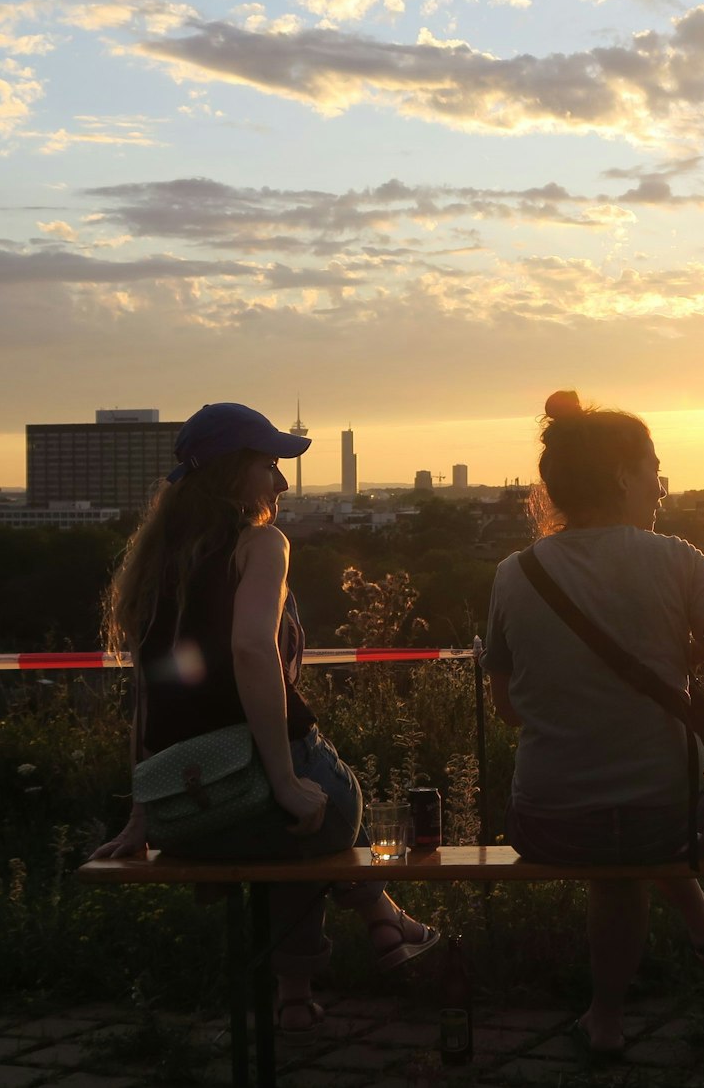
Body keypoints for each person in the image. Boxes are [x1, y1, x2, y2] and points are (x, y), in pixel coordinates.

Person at [91, 401, 437, 1035]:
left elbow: (149, 693)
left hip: (192, 818)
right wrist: (281, 780)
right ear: (233, 473)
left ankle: (298, 994)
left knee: (293, 830)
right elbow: (252, 649)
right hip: (255, 795)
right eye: (270, 466)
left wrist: (146, 810)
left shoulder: (155, 567)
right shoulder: (261, 544)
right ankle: (382, 918)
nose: (281, 483)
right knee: (309, 810)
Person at [483, 390, 704, 1058]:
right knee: (633, 836)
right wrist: (701, 652)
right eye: (654, 469)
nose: (661, 485)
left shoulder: (514, 574)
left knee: (615, 843)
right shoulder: (674, 558)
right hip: (670, 821)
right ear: (623, 476)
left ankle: (610, 1016)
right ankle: (625, 999)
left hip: (549, 820)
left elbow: (508, 708)